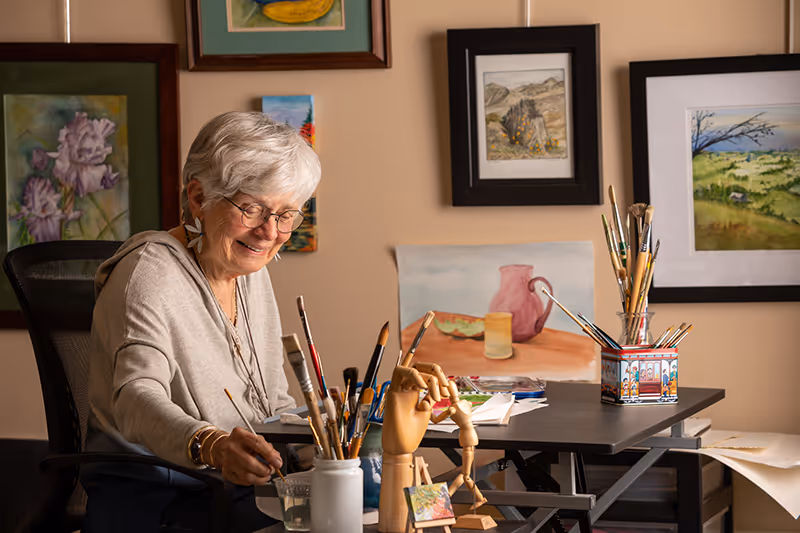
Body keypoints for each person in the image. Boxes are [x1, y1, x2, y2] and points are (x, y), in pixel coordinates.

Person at [82, 111, 321, 532]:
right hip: (160, 501)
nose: (270, 231)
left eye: (286, 214)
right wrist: (212, 445)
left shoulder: (251, 272)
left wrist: (327, 439)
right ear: (198, 198)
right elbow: (135, 398)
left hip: (240, 492)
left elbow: (271, 402)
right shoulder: (147, 272)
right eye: (252, 209)